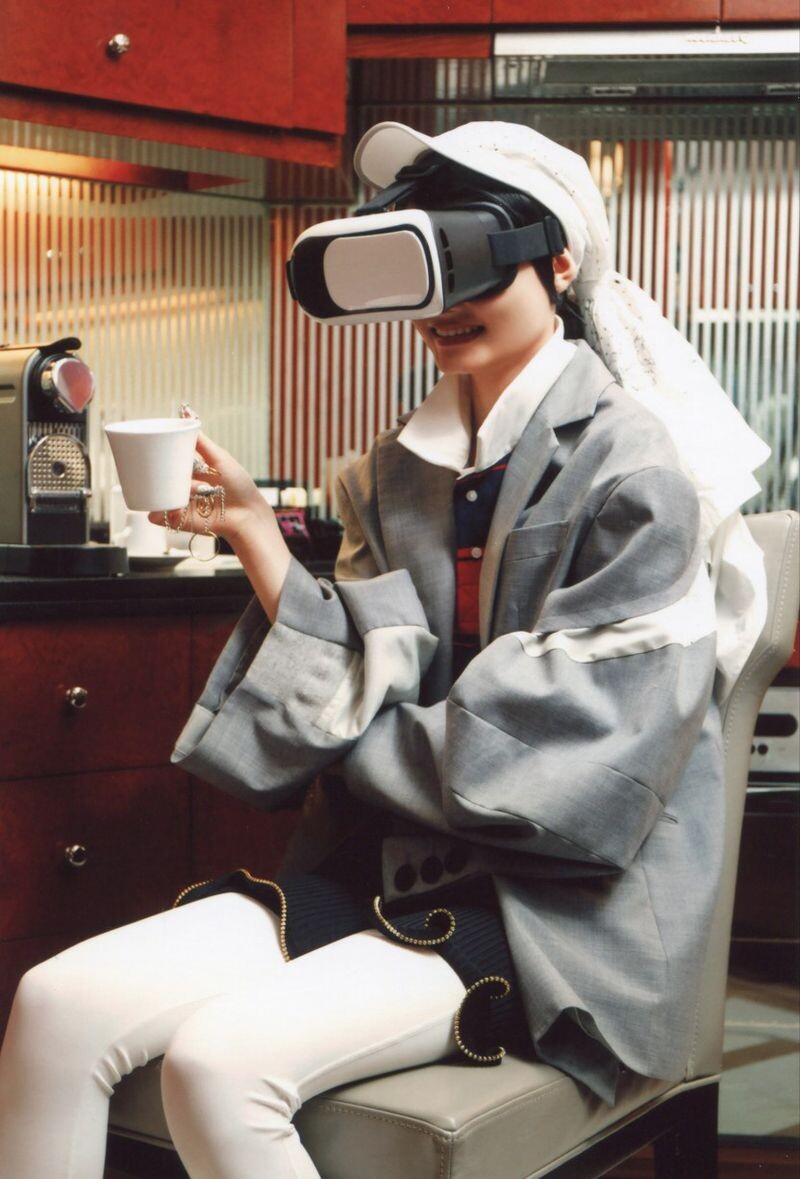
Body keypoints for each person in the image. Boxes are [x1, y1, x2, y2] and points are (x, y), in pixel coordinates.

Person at [0, 121, 769, 1179]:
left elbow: (566, 770)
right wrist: (259, 536)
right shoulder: (396, 472)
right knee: (53, 1007)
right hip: (385, 869)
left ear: (556, 263)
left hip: (554, 910)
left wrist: (353, 739)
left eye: (472, 258)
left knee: (221, 1065)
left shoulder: (638, 471)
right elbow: (368, 663)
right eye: (418, 265)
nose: (442, 304)